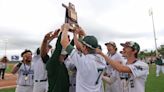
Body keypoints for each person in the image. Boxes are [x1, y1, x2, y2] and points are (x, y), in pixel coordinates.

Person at [60, 23, 106, 92]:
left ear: (84, 47)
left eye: (83, 45)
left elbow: (64, 42)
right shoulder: (102, 59)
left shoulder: (84, 61)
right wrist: (80, 34)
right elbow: (87, 46)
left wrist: (65, 29)